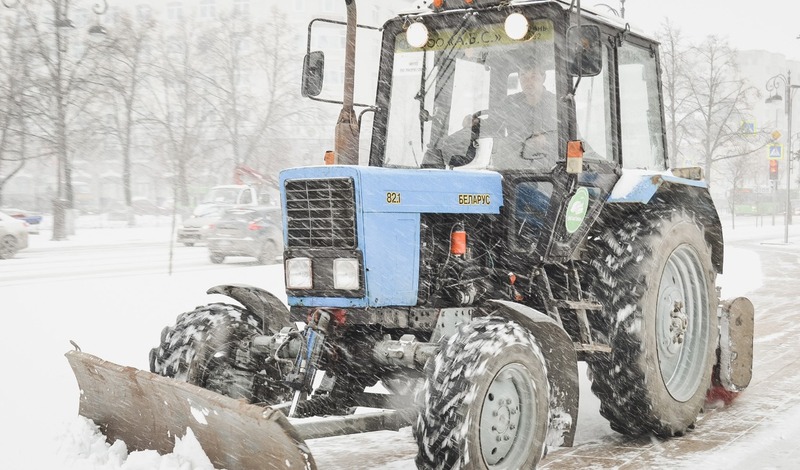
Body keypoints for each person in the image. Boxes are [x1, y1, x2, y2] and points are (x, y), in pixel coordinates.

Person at [490, 58, 558, 170]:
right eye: (523, 77)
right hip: (515, 168)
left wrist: (548, 140)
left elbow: (570, 136)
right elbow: (493, 123)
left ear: (543, 78)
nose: (528, 82)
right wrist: (476, 123)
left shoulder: (556, 104)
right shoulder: (511, 103)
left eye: (533, 77)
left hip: (549, 170)